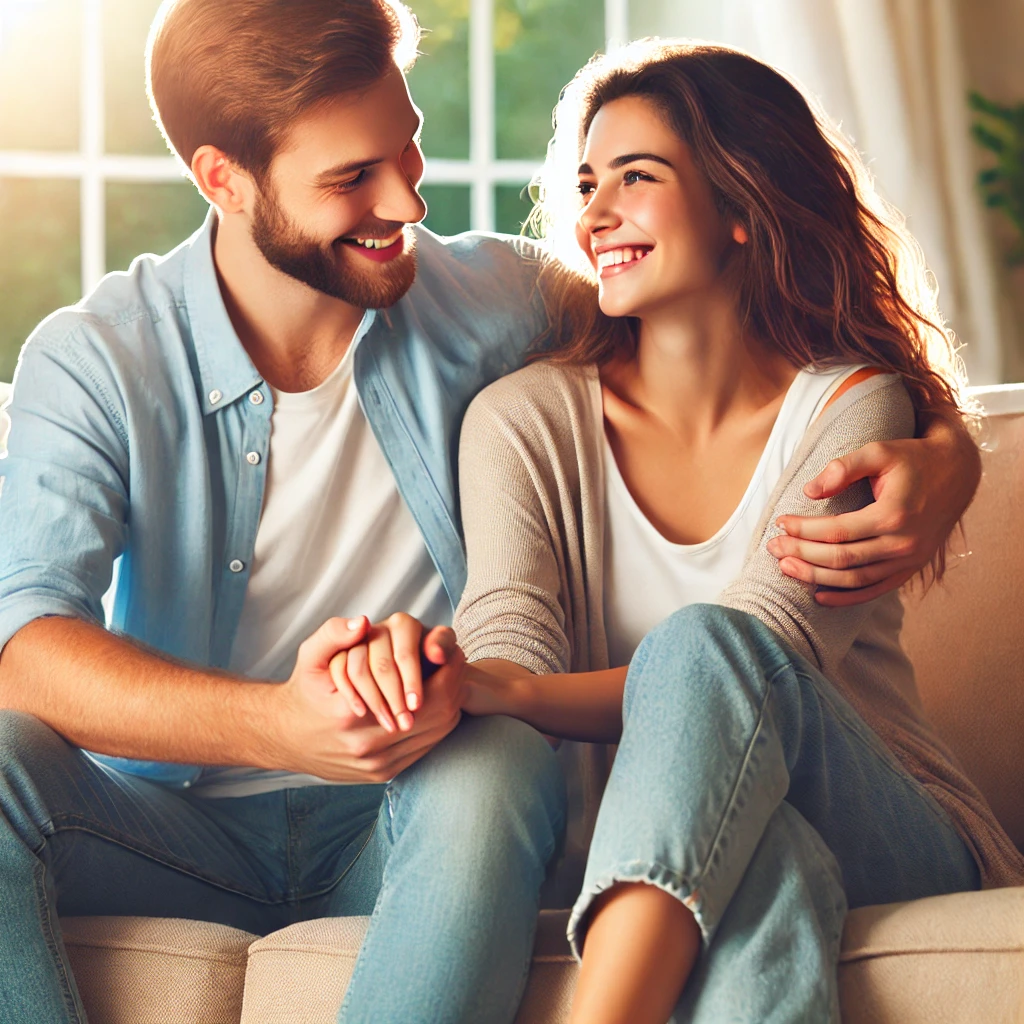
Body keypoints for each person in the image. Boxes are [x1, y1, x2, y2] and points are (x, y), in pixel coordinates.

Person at [0, 1, 982, 1020]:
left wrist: (948, 452)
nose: (404, 204)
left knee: (502, 753)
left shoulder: (491, 301)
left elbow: (754, 317)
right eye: (351, 179)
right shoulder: (99, 358)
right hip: (168, 826)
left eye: (408, 151)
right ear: (223, 179)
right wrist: (285, 727)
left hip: (411, 813)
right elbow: (24, 650)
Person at [449, 41, 1024, 1024]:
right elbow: (507, 634)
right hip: (676, 847)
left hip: (891, 824)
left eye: (637, 177)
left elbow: (758, 659)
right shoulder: (519, 421)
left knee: (708, 644)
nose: (592, 213)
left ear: (742, 208)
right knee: (767, 861)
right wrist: (490, 676)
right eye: (588, 181)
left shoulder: (853, 410)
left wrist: (515, 691)